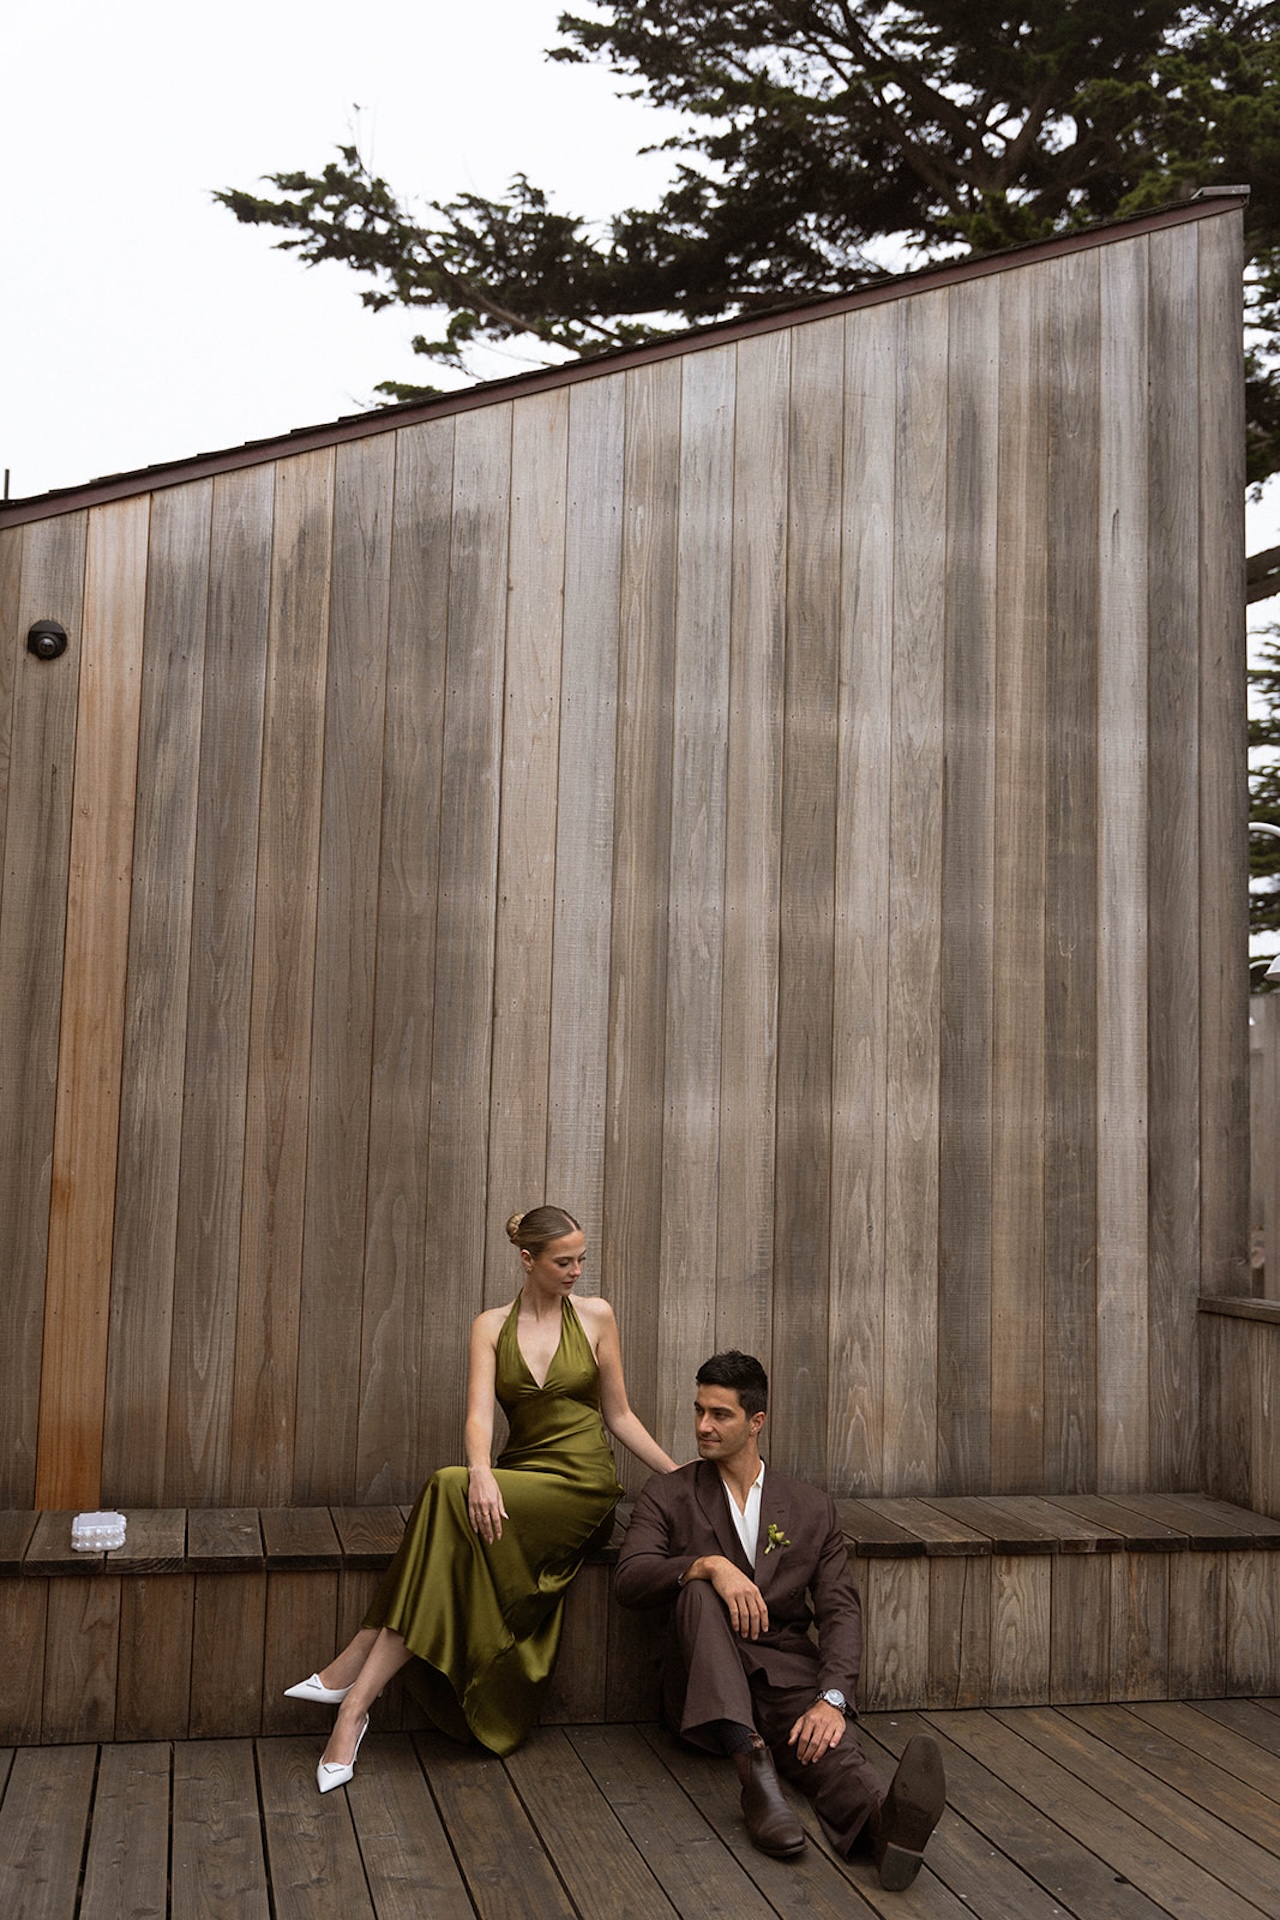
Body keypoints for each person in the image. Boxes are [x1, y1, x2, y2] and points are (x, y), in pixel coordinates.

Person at [287, 1205, 677, 1790]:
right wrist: (482, 1470)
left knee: (447, 1491)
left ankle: (352, 1675)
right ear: (528, 1260)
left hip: (582, 1486)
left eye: (581, 1260)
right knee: (452, 1503)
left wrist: (678, 1475)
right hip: (520, 1478)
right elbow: (477, 1416)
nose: (576, 1271)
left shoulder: (596, 1316)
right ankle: (353, 1707)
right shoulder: (490, 1325)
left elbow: (619, 1415)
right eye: (563, 1261)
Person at [614, 1350, 946, 1892]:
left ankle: (886, 1828)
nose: (702, 1425)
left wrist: (833, 1698)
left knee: (830, 1750)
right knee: (697, 1593)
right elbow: (630, 1578)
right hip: (701, 1689)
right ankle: (755, 1777)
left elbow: (840, 1609)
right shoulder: (669, 1494)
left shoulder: (811, 1507)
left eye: (720, 1414)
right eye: (699, 1411)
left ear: (756, 1422)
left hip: (785, 1679)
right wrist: (708, 1565)